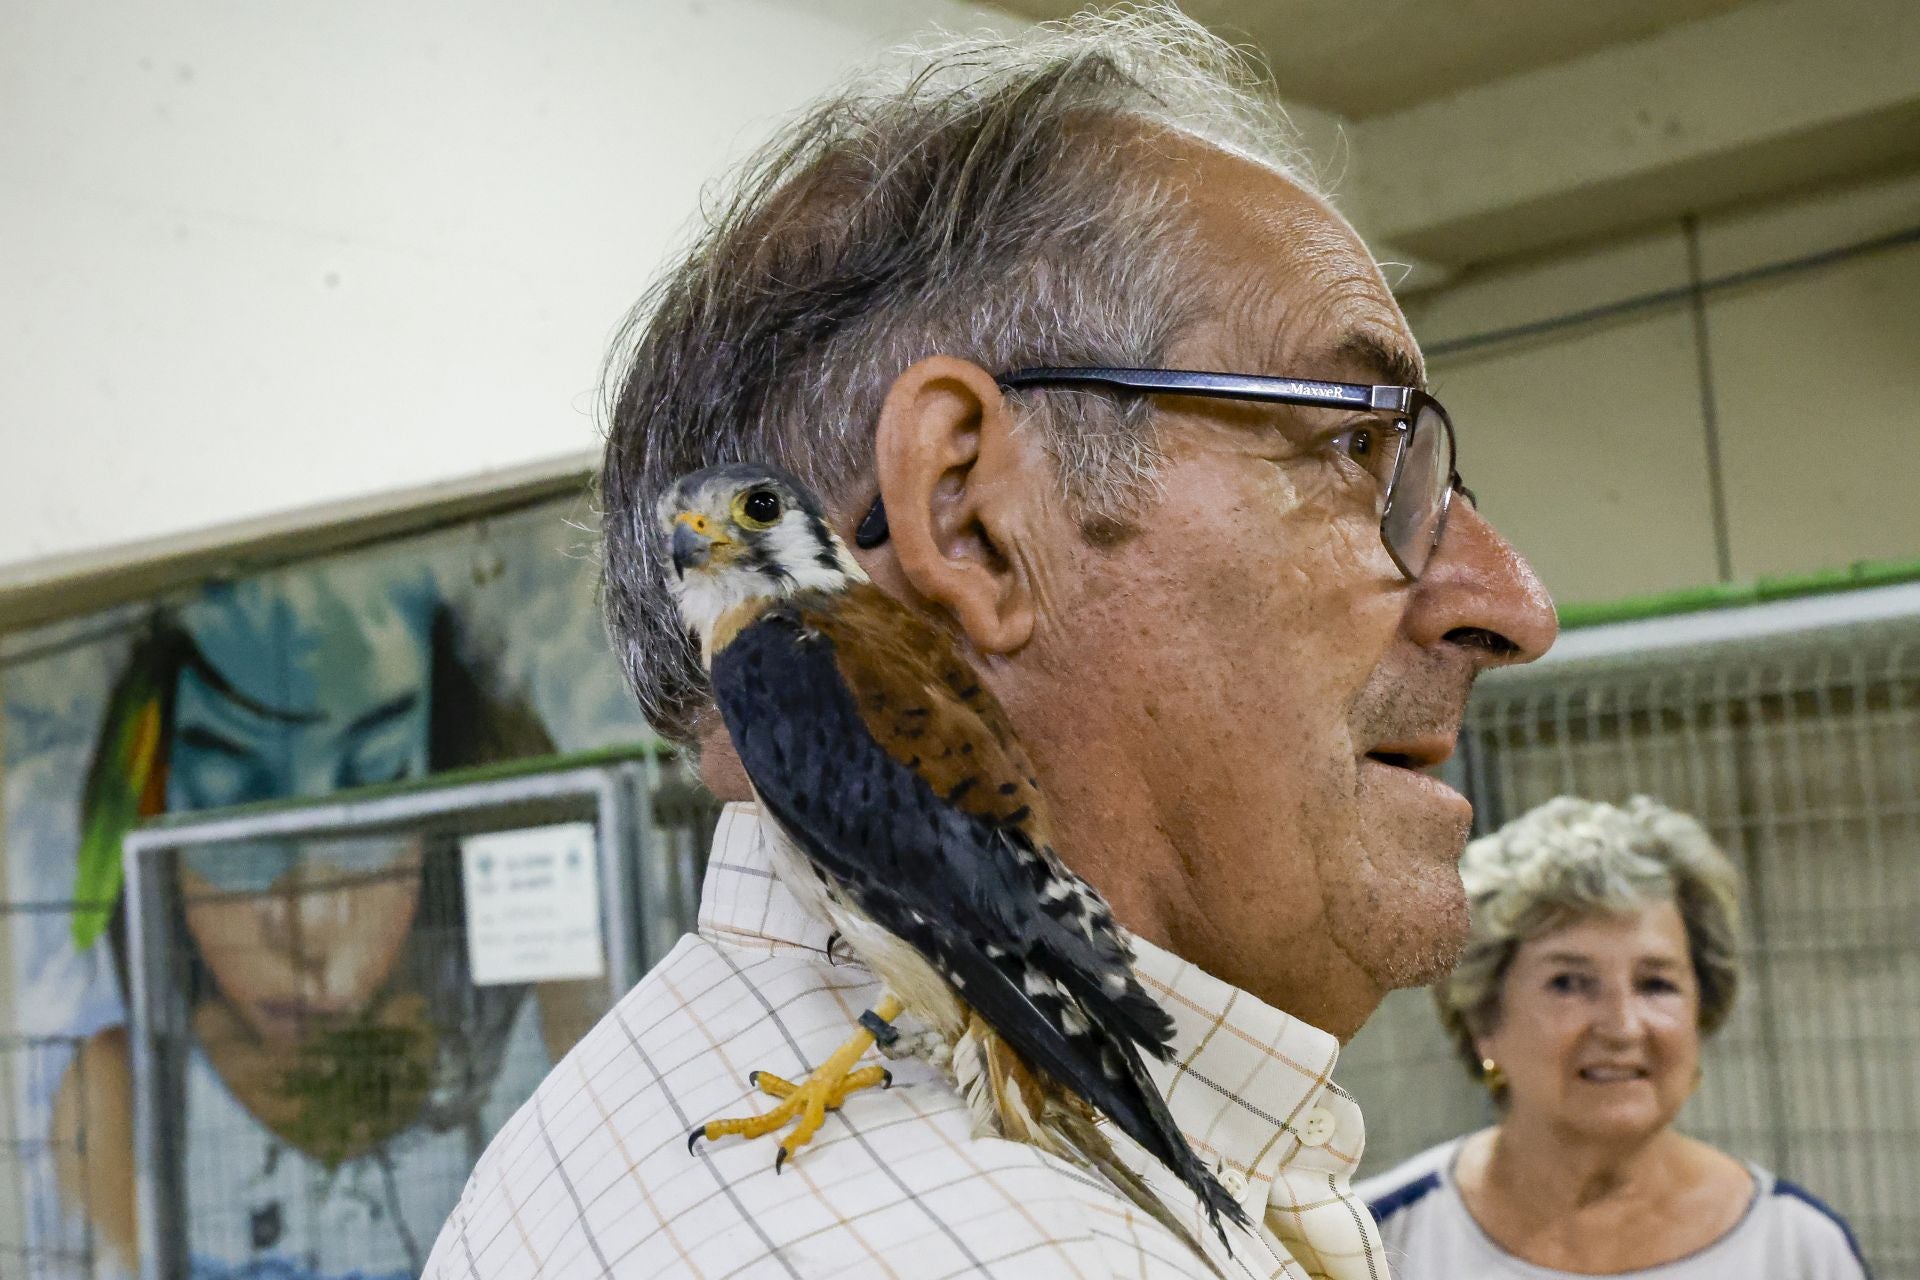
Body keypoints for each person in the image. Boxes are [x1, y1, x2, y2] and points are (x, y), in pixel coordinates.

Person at [429, 10, 1555, 1278]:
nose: (1511, 600)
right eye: (1358, 447)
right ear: (968, 515)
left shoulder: (643, 1115)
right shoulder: (1011, 1248)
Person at [48, 570, 580, 1280]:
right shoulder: (120, 1099)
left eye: (373, 786)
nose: (306, 926)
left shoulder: (551, 1038)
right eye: (233, 805)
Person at [1359, 796, 1870, 1279]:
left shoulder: (1797, 1249)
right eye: (1569, 983)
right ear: (1483, 1020)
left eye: (1656, 983)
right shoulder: (1372, 1240)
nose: (1622, 1027)